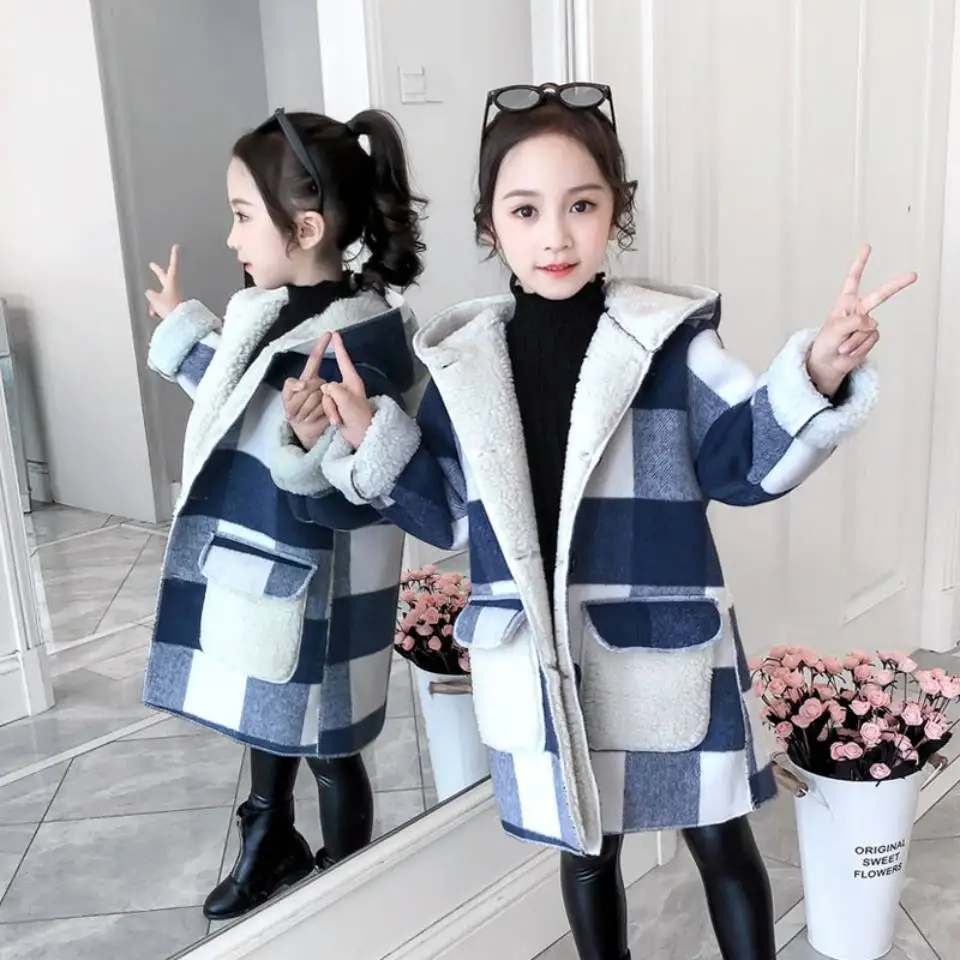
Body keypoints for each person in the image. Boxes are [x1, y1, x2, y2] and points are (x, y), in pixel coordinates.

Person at [291, 83, 916, 959]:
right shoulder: (466, 366)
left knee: (720, 838)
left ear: (615, 211)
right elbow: (446, 510)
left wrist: (815, 371)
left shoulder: (669, 342)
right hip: (543, 657)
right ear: (489, 224)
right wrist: (367, 434)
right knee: (586, 852)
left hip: (662, 650)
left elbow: (738, 460)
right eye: (525, 210)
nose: (555, 236)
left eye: (581, 205)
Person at [141, 107, 425, 921]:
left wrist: (314, 439)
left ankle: (346, 890)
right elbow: (235, 399)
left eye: (242, 216)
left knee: (331, 744)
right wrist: (182, 326)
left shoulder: (358, 341)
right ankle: (270, 837)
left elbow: (368, 474)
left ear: (304, 228)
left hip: (328, 581)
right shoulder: (266, 314)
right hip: (263, 557)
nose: (230, 237)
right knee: (263, 706)